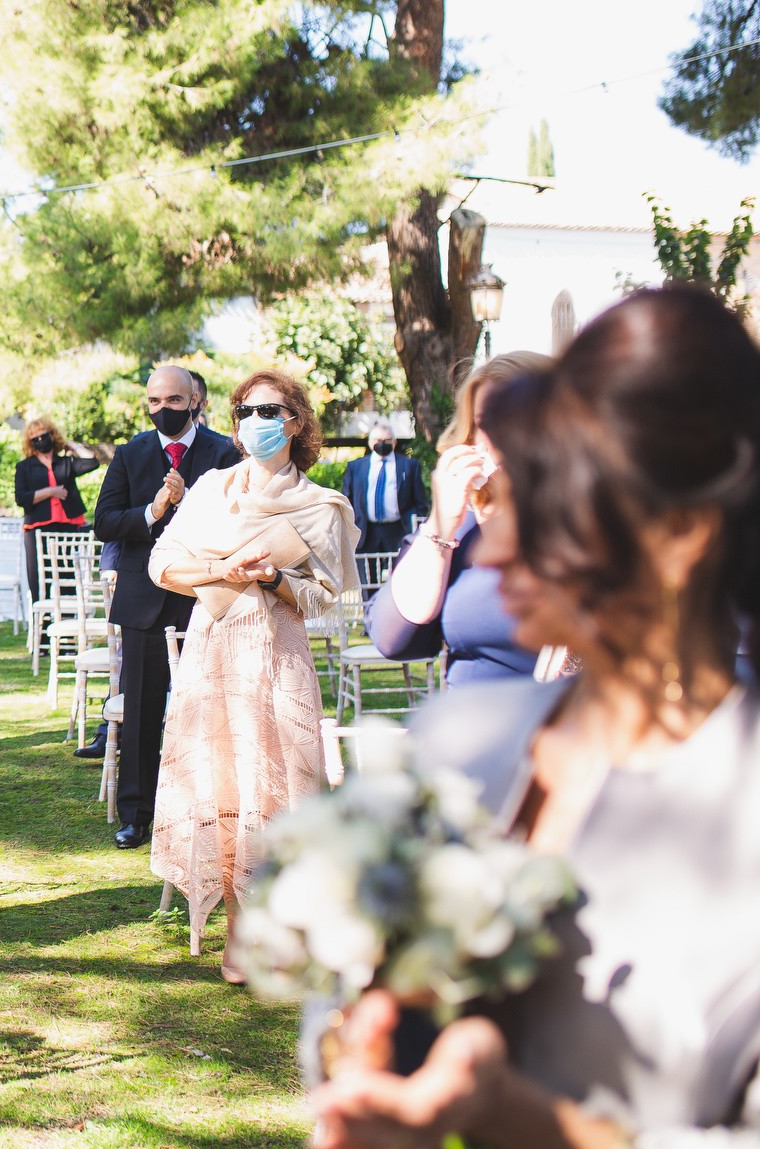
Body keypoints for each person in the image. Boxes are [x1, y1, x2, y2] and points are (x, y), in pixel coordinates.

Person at [309, 287, 760, 1149]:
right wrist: (361, 1061)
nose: (504, 546)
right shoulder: (454, 742)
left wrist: (514, 1115)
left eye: (550, 502)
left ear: (681, 535)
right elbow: (352, 1020)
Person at [145, 370, 355, 981]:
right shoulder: (210, 491)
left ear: (295, 421)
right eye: (243, 410)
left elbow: (329, 598)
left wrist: (273, 580)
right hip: (213, 654)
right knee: (225, 786)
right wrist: (222, 572)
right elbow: (161, 562)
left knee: (281, 788)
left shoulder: (321, 507)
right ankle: (239, 929)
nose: (253, 421)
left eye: (268, 410)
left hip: (278, 655)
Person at [91, 364, 242, 849]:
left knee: (211, 710)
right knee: (139, 712)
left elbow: (240, 519)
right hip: (144, 604)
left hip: (207, 598)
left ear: (194, 400)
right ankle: (136, 814)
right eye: (154, 402)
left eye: (173, 401)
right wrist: (154, 510)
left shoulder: (223, 452)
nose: (163, 410)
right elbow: (106, 522)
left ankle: (211, 812)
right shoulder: (130, 454)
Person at [366, 352, 551, 687]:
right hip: (472, 729)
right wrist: (440, 525)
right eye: (485, 422)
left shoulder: (599, 522)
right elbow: (392, 638)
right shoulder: (461, 527)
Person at [13, 416, 99, 600]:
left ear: (52, 435)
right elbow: (21, 498)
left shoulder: (66, 463)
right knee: (40, 576)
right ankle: (43, 620)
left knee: (67, 573)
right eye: (34, 439)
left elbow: (93, 462)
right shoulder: (24, 467)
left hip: (68, 525)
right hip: (38, 527)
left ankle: (66, 621)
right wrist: (51, 491)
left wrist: (71, 445)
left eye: (43, 436)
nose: (40, 441)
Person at [339, 418, 427, 556]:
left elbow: (420, 501)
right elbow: (346, 499)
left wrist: (415, 527)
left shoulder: (409, 466)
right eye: (378, 440)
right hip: (365, 531)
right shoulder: (356, 467)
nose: (382, 443)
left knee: (399, 573)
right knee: (367, 575)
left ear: (394, 442)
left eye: (387, 440)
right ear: (370, 442)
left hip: (399, 529)